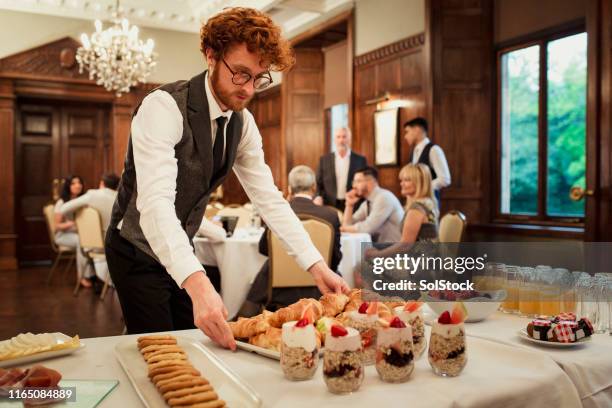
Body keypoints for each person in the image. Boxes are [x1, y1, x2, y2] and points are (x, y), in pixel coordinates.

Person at [104, 7, 349, 348]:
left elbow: (269, 199)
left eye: (259, 78)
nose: (249, 89)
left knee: (193, 344)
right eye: (240, 74)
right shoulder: (164, 107)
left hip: (180, 248)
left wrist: (317, 266)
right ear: (210, 56)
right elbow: (155, 205)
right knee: (158, 350)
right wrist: (200, 284)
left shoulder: (242, 124)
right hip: (135, 249)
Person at [243, 165, 343, 314]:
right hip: (319, 289)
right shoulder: (330, 215)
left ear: (289, 189)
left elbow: (264, 248)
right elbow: (335, 258)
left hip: (278, 292)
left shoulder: (276, 214)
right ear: (314, 187)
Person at [59, 173, 120, 292]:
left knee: (81, 240)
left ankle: (91, 277)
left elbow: (63, 209)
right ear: (117, 186)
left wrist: (77, 219)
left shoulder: (93, 195)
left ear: (102, 183)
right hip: (115, 246)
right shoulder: (121, 198)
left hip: (92, 245)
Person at [341, 166, 404, 242]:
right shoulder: (367, 202)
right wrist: (349, 205)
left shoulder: (384, 198)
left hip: (394, 247)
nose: (354, 186)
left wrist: (344, 228)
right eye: (353, 182)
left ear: (370, 182)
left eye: (358, 181)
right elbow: (349, 224)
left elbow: (368, 228)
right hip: (381, 247)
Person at [53, 175, 93, 288]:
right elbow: (57, 226)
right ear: (68, 186)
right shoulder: (62, 202)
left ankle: (93, 275)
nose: (78, 185)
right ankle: (81, 277)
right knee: (82, 241)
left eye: (79, 183)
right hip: (62, 235)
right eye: (74, 183)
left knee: (91, 240)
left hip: (78, 233)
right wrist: (73, 223)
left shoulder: (82, 201)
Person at [315, 127, 367, 210]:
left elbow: (365, 182)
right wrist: (318, 197)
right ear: (334, 140)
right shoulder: (324, 160)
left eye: (344, 137)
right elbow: (318, 182)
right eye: (338, 137)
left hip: (354, 203)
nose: (341, 140)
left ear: (349, 139)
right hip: (329, 204)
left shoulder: (360, 160)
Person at [403, 117, 451, 201]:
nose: (405, 136)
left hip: (429, 201)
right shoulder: (413, 152)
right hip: (415, 200)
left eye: (407, 132)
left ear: (417, 130)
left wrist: (422, 187)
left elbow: (445, 179)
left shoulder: (434, 150)